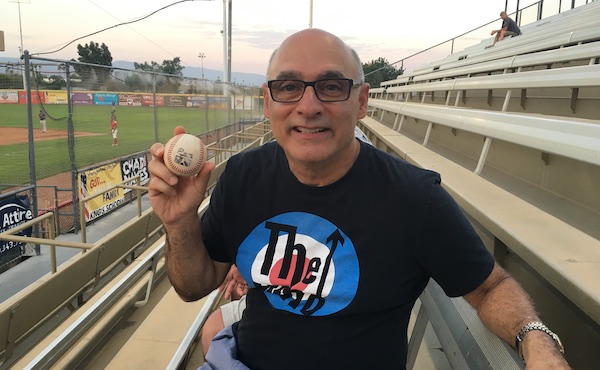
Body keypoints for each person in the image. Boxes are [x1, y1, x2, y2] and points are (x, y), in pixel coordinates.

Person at [148, 29, 569, 369]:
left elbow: (490, 286)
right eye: (289, 87)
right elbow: (194, 286)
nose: (308, 106)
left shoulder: (414, 199)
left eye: (331, 86)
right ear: (268, 102)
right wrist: (180, 221)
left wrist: (537, 341)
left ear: (362, 101)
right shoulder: (242, 176)